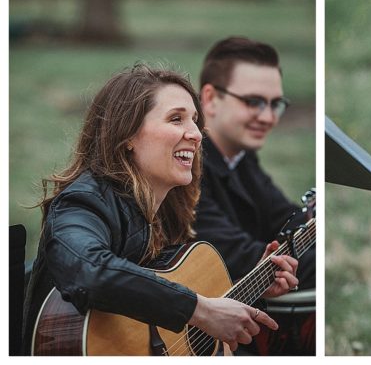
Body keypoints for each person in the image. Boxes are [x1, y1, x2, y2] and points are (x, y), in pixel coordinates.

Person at [23, 65, 299, 354]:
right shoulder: (82, 203)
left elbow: (156, 313)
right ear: (127, 135)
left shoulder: (164, 209)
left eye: (195, 120)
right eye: (176, 119)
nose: (196, 134)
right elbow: (88, 269)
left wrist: (252, 286)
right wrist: (200, 310)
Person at [194, 37, 315, 290]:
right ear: (211, 98)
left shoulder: (241, 156)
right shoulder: (187, 168)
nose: (268, 117)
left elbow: (285, 219)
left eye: (275, 104)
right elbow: (240, 257)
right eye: (253, 102)